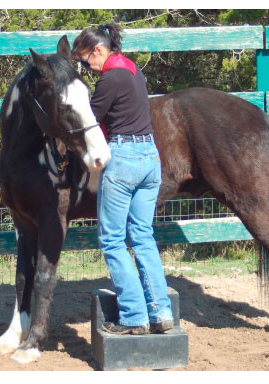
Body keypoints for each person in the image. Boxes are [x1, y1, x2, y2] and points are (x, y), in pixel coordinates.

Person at [72, 23, 173, 335]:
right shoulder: (132, 70)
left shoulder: (109, 79)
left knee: (112, 240)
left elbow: (89, 120)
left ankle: (133, 316)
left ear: (99, 50)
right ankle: (161, 313)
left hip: (125, 159)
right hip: (149, 158)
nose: (86, 68)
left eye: (85, 61)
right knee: (142, 236)